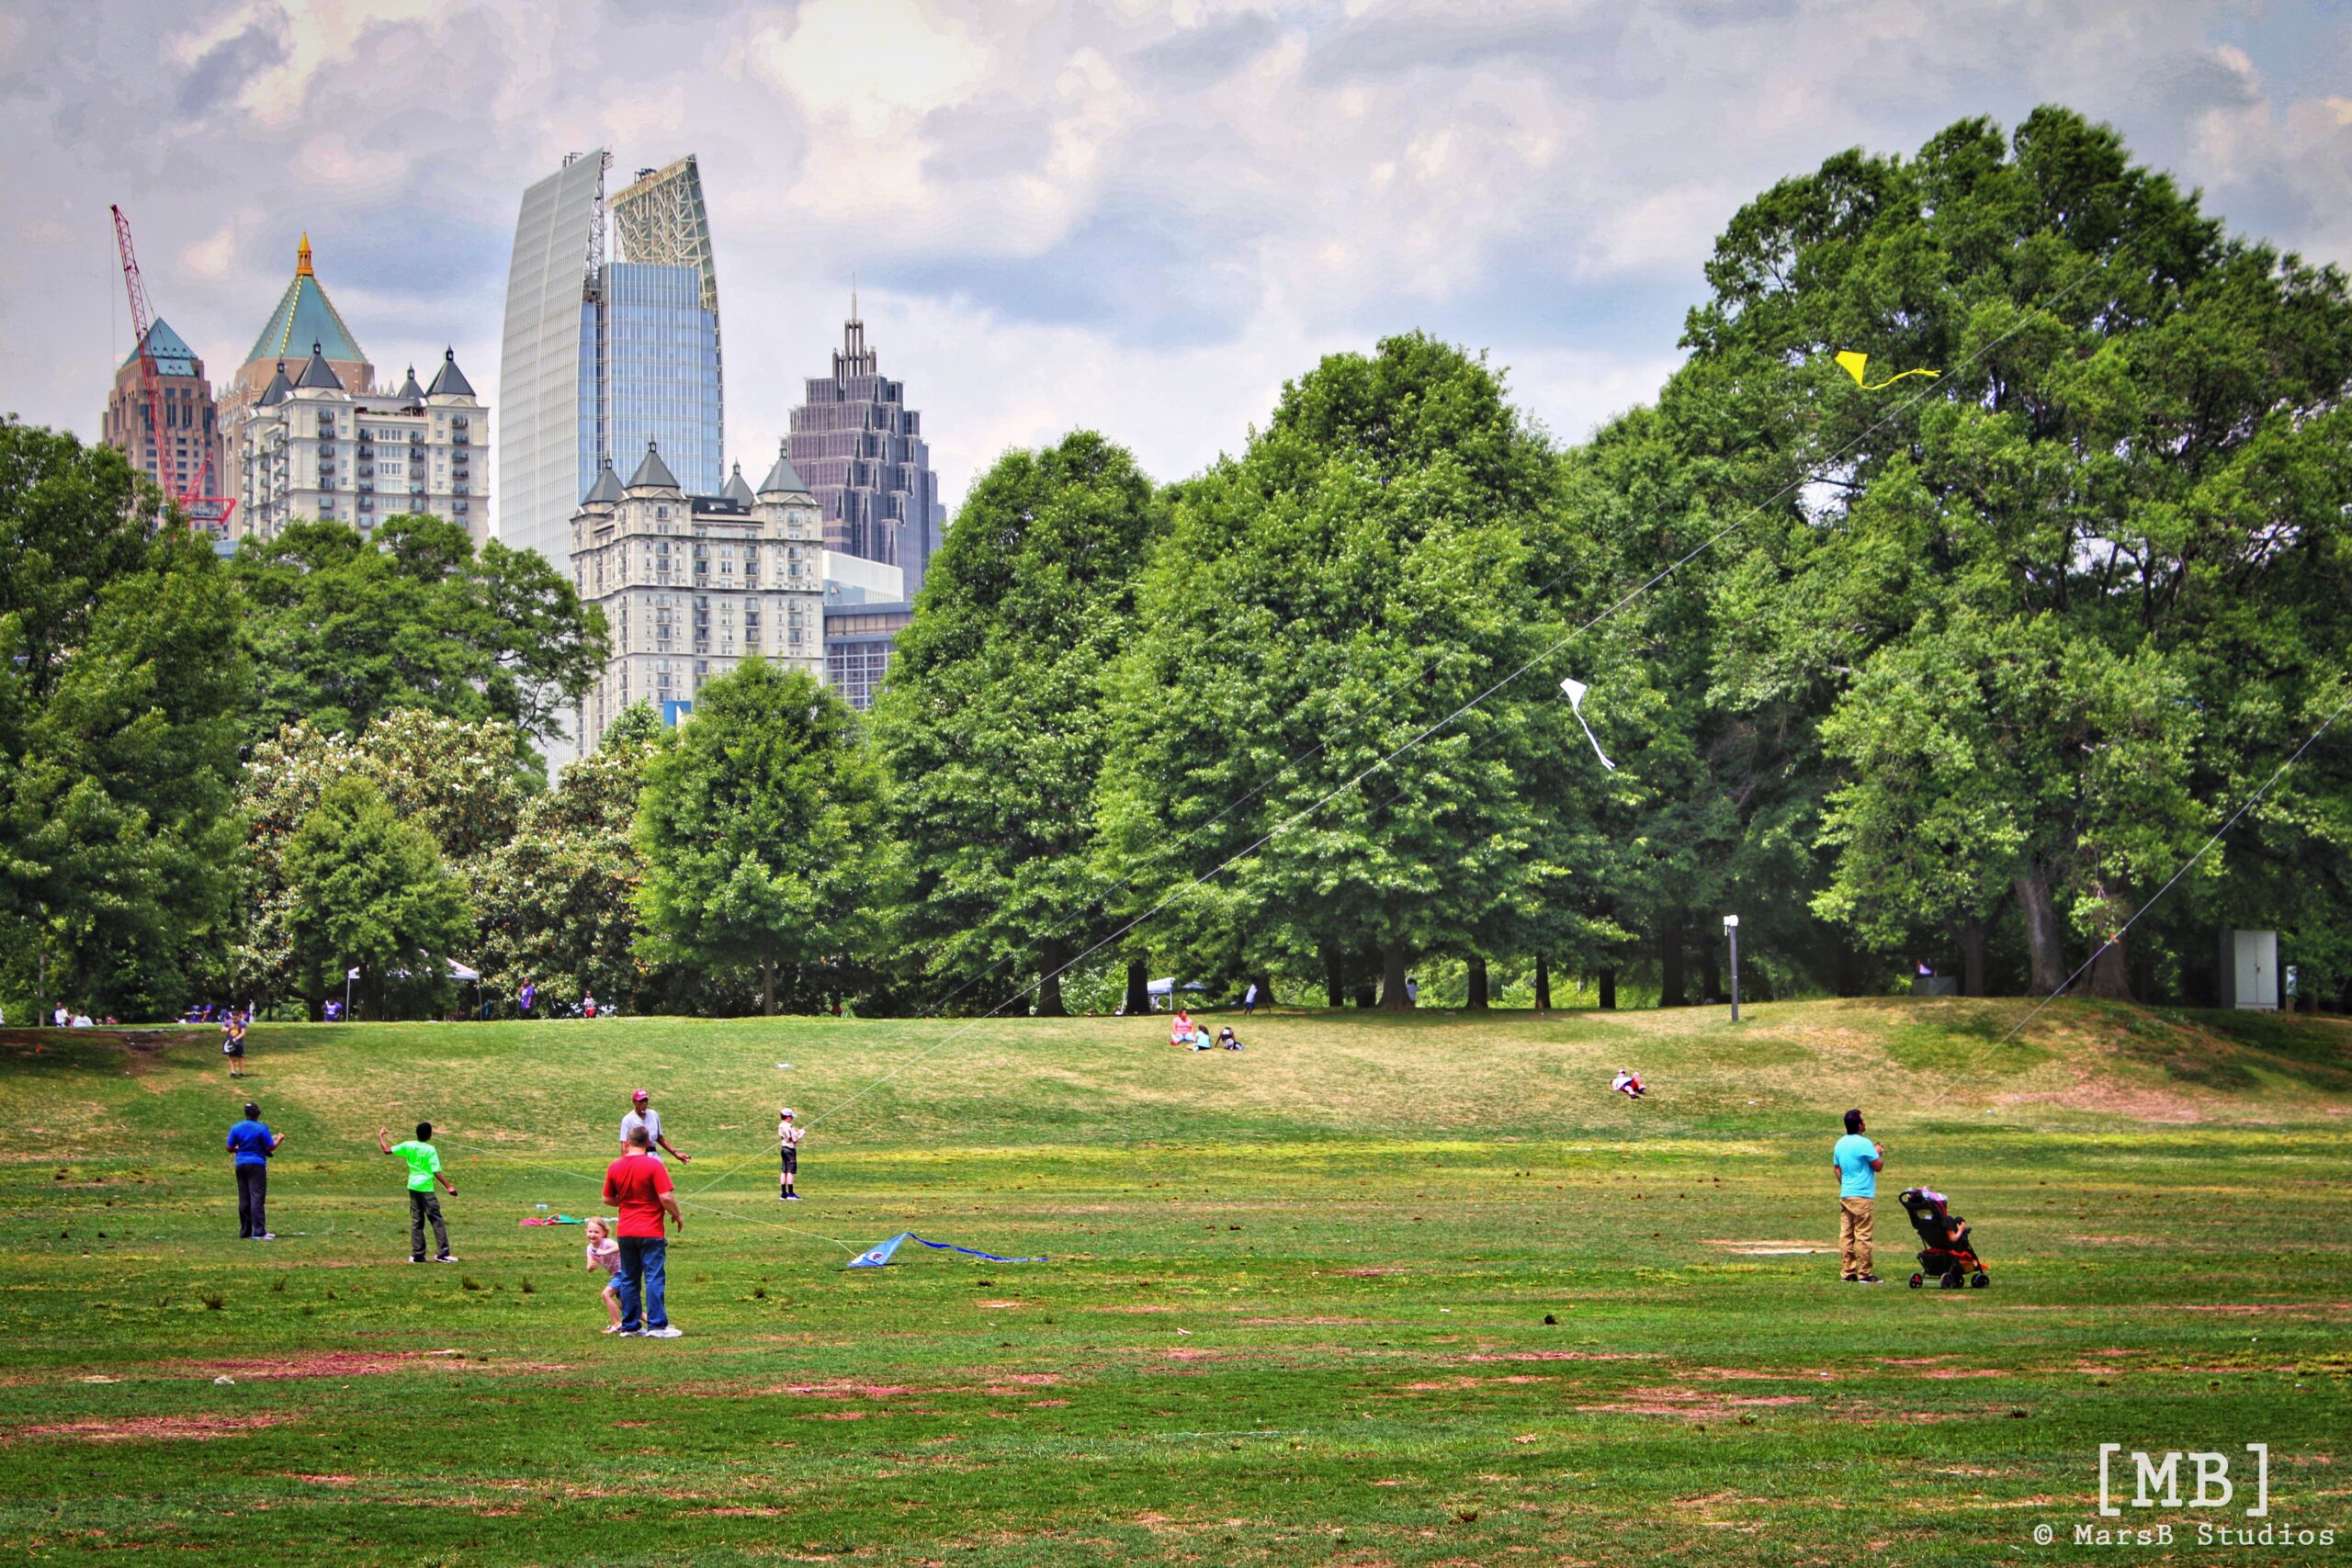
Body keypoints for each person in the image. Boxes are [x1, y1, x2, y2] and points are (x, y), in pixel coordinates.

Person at [602, 1123, 683, 1337]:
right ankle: (657, 1326)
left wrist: (626, 1202)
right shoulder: (654, 1165)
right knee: (654, 1277)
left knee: (629, 1278)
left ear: (627, 1142)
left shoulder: (615, 1166)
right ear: (648, 1142)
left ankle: (630, 1326)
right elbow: (665, 1197)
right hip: (650, 1230)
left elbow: (607, 1198)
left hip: (625, 1231)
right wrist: (677, 1214)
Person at [379, 1122, 458, 1263]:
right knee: (436, 1220)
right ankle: (442, 1254)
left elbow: (387, 1150)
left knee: (417, 1221)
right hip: (426, 1189)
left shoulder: (408, 1145)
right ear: (429, 1135)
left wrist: (381, 1136)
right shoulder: (430, 1149)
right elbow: (435, 1171)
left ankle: (418, 1255)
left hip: (413, 1187)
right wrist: (449, 1186)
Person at [1832, 1108, 1885, 1283]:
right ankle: (1865, 1273)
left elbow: (1837, 1168)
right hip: (1862, 1195)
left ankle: (1848, 1271)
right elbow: (1878, 1166)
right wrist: (1877, 1152)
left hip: (1846, 1194)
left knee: (1846, 1234)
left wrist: (1845, 1184)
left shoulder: (1839, 1143)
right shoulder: (1865, 1144)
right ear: (1859, 1125)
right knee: (1863, 1235)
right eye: (1863, 1120)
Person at [226, 1101, 283, 1240]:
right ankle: (259, 1232)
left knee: (244, 1198)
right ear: (257, 1114)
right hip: (256, 1164)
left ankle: (245, 1231)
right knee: (257, 1197)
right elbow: (270, 1147)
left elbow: (229, 1148)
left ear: (246, 1113)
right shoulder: (261, 1128)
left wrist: (239, 1150)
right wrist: (279, 1139)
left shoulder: (236, 1127)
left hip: (240, 1164)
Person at [618, 1089, 690, 1164]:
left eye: (646, 1100)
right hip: (636, 1159)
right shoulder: (628, 1120)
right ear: (634, 1102)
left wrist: (676, 1153)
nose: (644, 1103)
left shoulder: (653, 1115)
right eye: (641, 1101)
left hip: (654, 1157)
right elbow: (624, 1146)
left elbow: (660, 1138)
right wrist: (625, 1165)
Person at [583, 1216, 624, 1332]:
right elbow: (589, 1267)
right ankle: (656, 1324)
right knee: (625, 1306)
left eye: (596, 1232)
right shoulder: (590, 1248)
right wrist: (591, 1267)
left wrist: (605, 1252)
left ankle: (617, 1324)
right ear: (586, 1232)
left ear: (604, 1233)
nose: (593, 1234)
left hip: (624, 1272)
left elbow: (621, 1246)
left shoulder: (607, 1243)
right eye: (590, 1231)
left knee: (606, 1294)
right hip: (616, 1274)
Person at [778, 1108, 805, 1201]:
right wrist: (801, 1133)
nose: (792, 1118)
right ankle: (791, 1194)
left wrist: (796, 1134)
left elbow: (787, 1137)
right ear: (787, 1117)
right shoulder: (789, 1126)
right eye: (791, 1117)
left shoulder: (781, 1125)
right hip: (790, 1149)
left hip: (783, 1148)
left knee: (784, 1171)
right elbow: (794, 1139)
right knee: (790, 1171)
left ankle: (783, 1193)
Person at [221, 1011, 248, 1077]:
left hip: (239, 1043)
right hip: (230, 1042)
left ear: (239, 1016)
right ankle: (233, 1072)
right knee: (231, 1057)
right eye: (233, 1018)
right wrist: (228, 1028)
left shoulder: (242, 1023)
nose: (234, 1020)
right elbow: (222, 1030)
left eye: (236, 1018)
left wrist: (236, 1039)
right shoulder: (228, 1022)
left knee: (241, 1057)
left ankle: (241, 1072)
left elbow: (243, 1033)